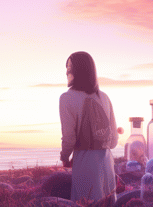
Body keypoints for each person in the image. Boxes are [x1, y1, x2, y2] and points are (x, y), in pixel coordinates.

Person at [60, 51, 118, 204]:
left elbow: (69, 138)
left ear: (78, 70)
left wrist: (65, 157)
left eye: (70, 67)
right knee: (109, 201)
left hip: (85, 162)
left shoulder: (67, 98)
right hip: (107, 162)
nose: (67, 71)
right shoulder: (104, 97)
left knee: (85, 201)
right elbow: (113, 141)